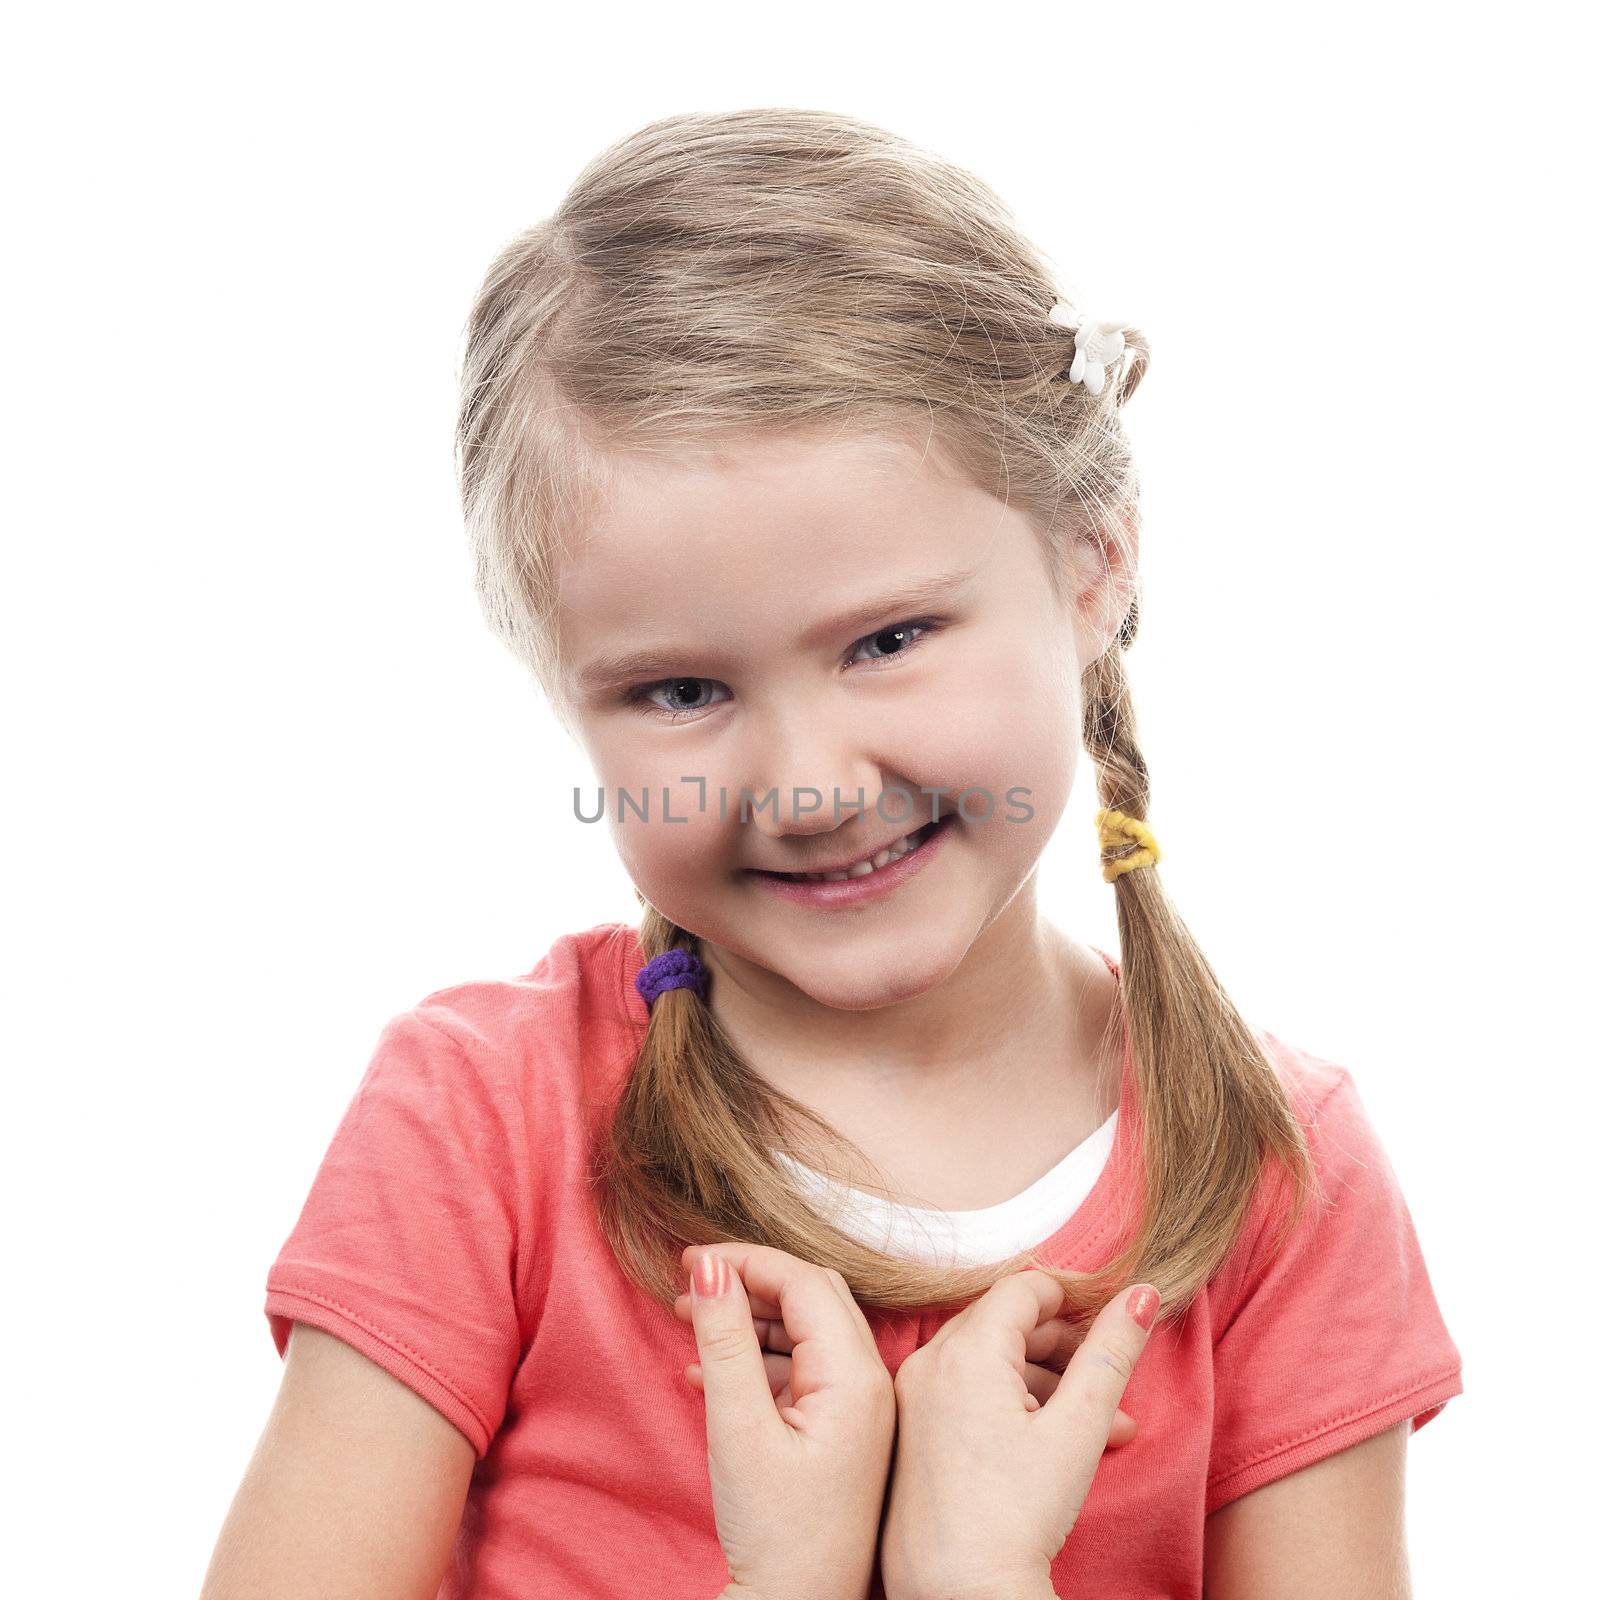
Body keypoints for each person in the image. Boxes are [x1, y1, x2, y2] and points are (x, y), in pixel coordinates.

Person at [201, 108, 1463, 1600]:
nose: (804, 789)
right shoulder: (483, 1121)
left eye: (888, 640)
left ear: (1095, 560)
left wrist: (977, 1580)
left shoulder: (1274, 1174)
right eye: (681, 691)